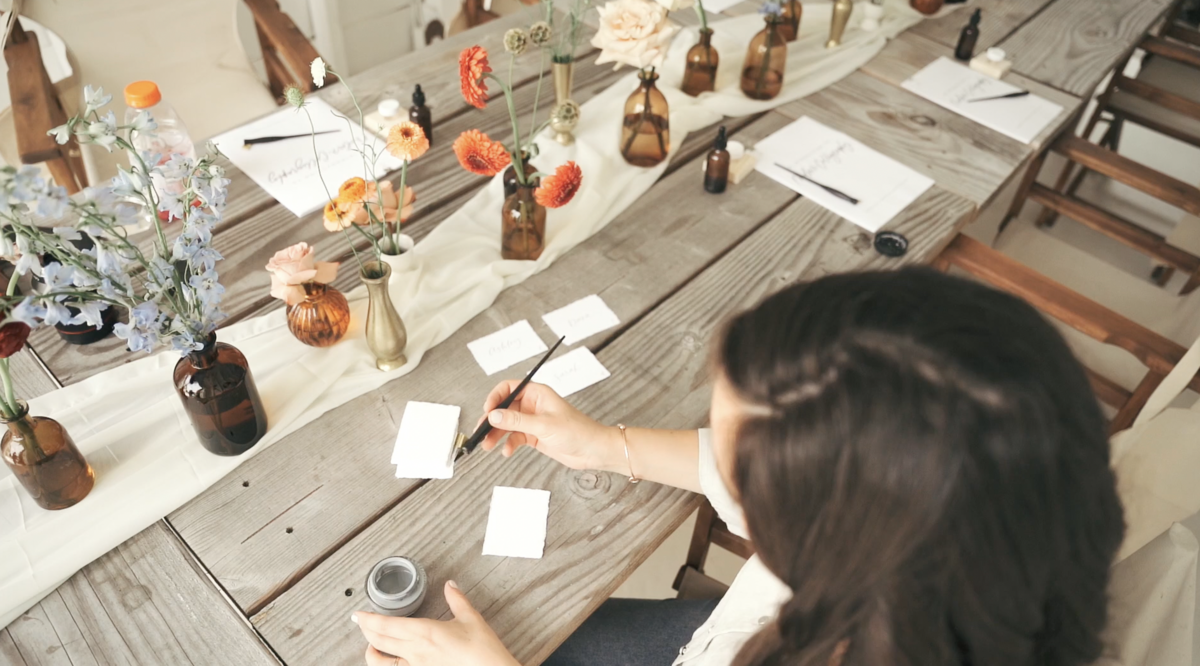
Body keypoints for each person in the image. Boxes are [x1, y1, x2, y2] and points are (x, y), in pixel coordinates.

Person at [351, 267, 1126, 666]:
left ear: (838, 542)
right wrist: (601, 442)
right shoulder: (967, 551)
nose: (715, 467)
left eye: (740, 469)